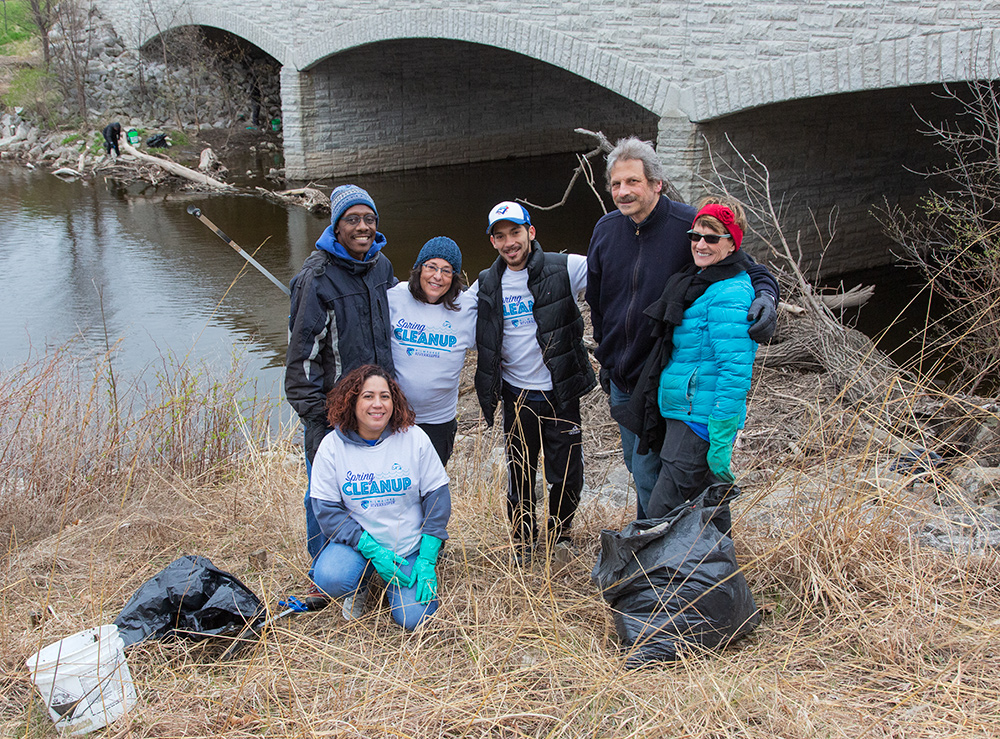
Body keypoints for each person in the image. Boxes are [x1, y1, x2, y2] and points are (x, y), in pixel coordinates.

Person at [586, 137, 779, 519]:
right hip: (623, 380)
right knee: (640, 468)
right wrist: (606, 361)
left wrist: (767, 296)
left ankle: (654, 554)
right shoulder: (607, 230)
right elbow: (597, 299)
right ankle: (671, 548)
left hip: (663, 377)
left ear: (657, 184)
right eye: (616, 184)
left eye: (632, 182)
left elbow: (745, 264)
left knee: (654, 474)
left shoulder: (689, 228)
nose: (623, 192)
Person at [618, 197, 758, 535]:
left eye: (712, 237)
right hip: (684, 411)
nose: (700, 244)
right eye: (695, 236)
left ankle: (651, 582)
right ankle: (714, 578)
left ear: (732, 243)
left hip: (700, 419)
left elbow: (735, 371)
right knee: (708, 504)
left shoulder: (730, 293)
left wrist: (721, 439)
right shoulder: (698, 280)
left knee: (662, 511)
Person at [475, 201, 595, 564]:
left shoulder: (566, 268)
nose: (509, 242)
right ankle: (524, 543)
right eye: (500, 236)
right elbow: (442, 309)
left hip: (561, 392)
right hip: (517, 394)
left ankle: (560, 537)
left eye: (515, 232)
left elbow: (616, 268)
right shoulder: (486, 283)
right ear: (493, 242)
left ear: (531, 232)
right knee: (521, 475)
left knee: (567, 475)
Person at [285, 184, 396, 564]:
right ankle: (323, 567)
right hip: (333, 414)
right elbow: (301, 361)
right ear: (336, 226)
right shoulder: (315, 279)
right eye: (352, 220)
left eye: (369, 219)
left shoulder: (381, 266)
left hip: (379, 406)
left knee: (372, 487)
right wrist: (319, 419)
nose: (362, 226)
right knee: (325, 490)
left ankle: (372, 560)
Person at [308, 365, 450, 630]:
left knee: (414, 619)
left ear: (394, 401)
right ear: (351, 401)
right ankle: (359, 585)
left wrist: (428, 557)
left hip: (406, 546)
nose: (378, 404)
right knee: (330, 576)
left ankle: (408, 574)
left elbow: (438, 497)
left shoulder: (414, 438)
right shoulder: (331, 446)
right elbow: (327, 511)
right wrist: (371, 549)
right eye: (368, 396)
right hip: (359, 545)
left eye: (385, 396)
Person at [388, 236, 477, 465]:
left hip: (439, 422)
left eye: (447, 271)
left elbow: (496, 343)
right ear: (419, 269)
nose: (438, 276)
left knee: (430, 489)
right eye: (431, 267)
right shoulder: (395, 297)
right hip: (393, 416)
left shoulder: (466, 307)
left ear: (454, 278)